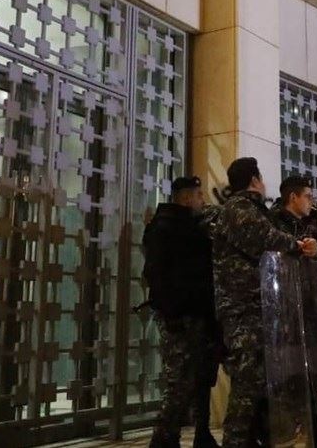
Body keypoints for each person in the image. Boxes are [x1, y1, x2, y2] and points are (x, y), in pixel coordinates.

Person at [212, 158, 317, 447]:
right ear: (255, 180)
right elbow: (265, 238)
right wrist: (298, 246)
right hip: (241, 311)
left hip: (255, 309)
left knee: (257, 385)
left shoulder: (251, 209)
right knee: (246, 386)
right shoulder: (239, 209)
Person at [142, 176, 221, 448]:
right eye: (199, 195)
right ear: (187, 198)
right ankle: (163, 438)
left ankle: (198, 434)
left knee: (200, 378)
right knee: (179, 382)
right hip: (179, 317)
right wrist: (172, 314)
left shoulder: (192, 226)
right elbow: (156, 274)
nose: (203, 200)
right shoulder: (164, 228)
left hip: (198, 316)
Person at [272, 175, 317, 269]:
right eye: (308, 197)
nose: (312, 202)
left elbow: (308, 265)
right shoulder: (272, 222)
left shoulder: (308, 225)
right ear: (293, 197)